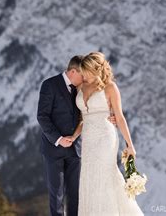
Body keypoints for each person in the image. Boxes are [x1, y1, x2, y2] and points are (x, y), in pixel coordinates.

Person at [37, 55, 117, 216]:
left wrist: (109, 115)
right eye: (83, 74)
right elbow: (42, 116)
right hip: (54, 150)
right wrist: (59, 139)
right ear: (73, 71)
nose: (86, 78)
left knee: (75, 194)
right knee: (57, 194)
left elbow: (88, 111)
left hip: (77, 149)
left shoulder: (81, 87)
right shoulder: (50, 85)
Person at [72, 51, 144, 215]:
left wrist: (130, 146)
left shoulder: (110, 87)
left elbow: (119, 117)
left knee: (104, 174)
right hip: (88, 140)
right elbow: (82, 118)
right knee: (89, 176)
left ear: (96, 69)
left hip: (106, 137)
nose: (84, 74)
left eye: (87, 71)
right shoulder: (80, 87)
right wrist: (74, 136)